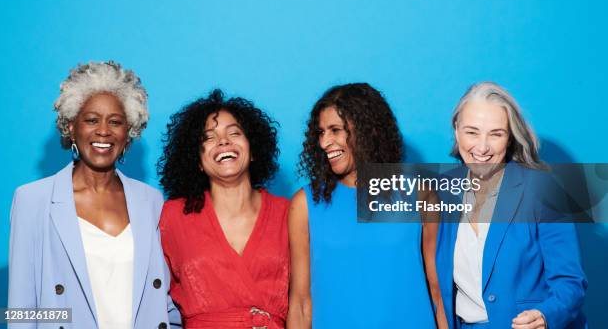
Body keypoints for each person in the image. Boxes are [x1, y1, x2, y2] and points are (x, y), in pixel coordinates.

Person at [8, 61, 179, 329]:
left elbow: (163, 296)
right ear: (71, 127)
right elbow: (21, 309)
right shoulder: (33, 200)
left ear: (128, 133)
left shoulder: (151, 200)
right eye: (91, 120)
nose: (103, 131)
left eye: (115, 122)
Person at [435, 81, 587, 328]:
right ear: (456, 130)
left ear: (510, 137)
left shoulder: (542, 188)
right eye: (472, 132)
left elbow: (570, 282)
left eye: (496, 133)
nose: (482, 148)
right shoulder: (441, 191)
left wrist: (546, 315)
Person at [288, 83, 436, 328]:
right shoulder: (305, 205)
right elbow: (301, 303)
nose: (325, 142)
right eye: (321, 132)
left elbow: (437, 288)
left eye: (335, 130)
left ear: (369, 131)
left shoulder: (418, 192)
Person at [158, 89, 289, 329]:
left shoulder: (290, 214)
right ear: (196, 160)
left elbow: (307, 300)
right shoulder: (171, 216)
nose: (223, 141)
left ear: (253, 150)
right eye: (209, 138)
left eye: (235, 133)